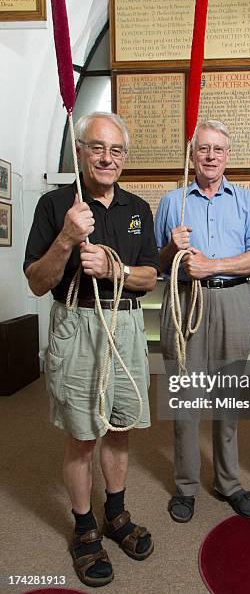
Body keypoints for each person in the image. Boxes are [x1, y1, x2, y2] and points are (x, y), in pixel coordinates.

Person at [24, 112, 159, 587]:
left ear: (125, 156)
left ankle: (115, 515)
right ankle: (84, 530)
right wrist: (66, 237)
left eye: (117, 150)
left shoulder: (138, 208)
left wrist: (112, 267)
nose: (107, 157)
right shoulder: (55, 205)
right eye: (97, 148)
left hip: (124, 324)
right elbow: (38, 283)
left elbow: (150, 277)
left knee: (120, 428)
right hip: (77, 324)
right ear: (80, 151)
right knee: (82, 435)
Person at [154, 120, 250, 522]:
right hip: (186, 303)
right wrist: (174, 249)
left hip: (234, 302)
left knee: (228, 399)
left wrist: (213, 264)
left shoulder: (246, 202)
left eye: (217, 150)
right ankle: (186, 486)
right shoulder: (173, 202)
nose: (210, 156)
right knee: (186, 400)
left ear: (227, 156)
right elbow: (157, 265)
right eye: (203, 149)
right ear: (192, 155)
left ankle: (228, 482)